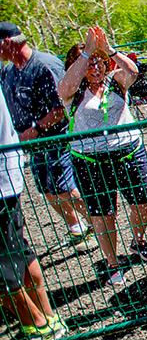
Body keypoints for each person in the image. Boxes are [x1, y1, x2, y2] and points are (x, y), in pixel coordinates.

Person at [57, 28, 147, 287]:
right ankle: (112, 263)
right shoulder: (73, 91)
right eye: (89, 63)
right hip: (90, 161)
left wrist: (110, 49)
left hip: (129, 152)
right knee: (103, 214)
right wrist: (87, 51)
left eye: (99, 62)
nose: (95, 67)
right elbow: (64, 86)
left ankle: (138, 241)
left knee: (143, 202)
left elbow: (134, 72)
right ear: (77, 66)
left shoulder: (115, 81)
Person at [0, 23, 89, 248]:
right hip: (32, 144)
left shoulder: (44, 65)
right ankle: (78, 227)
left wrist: (36, 130)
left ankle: (99, 222)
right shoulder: (9, 71)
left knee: (64, 187)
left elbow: (62, 108)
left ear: (7, 42)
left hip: (57, 138)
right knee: (47, 190)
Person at [0, 88, 69, 340]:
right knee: (18, 251)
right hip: (7, 177)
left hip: (2, 183)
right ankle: (48, 320)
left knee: (5, 265)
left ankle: (38, 326)